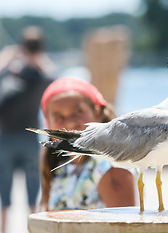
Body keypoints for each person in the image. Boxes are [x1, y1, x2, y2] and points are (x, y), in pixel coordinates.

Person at [38, 77, 135, 211]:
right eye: (58, 117)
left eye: (78, 112)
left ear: (98, 112)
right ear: (48, 126)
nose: (70, 122)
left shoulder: (110, 167)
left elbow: (125, 227)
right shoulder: (60, 168)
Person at [0, 26, 53, 233]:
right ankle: (32, 230)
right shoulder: (40, 75)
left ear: (21, 47)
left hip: (6, 139)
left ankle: (2, 230)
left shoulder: (8, 73)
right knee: (32, 192)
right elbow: (54, 78)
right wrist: (37, 57)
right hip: (29, 138)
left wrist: (4, 57)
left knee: (4, 194)